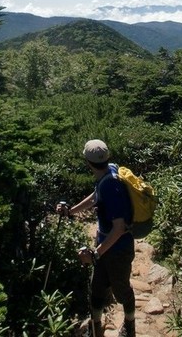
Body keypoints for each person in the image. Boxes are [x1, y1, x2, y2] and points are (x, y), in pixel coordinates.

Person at [57, 139, 135, 337]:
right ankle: (95, 327)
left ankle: (130, 324)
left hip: (117, 249)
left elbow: (119, 228)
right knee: (97, 288)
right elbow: (95, 196)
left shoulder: (111, 186)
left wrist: (95, 253)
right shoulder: (109, 171)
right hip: (105, 246)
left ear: (88, 162)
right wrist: (71, 211)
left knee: (122, 290)